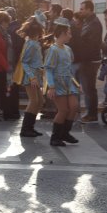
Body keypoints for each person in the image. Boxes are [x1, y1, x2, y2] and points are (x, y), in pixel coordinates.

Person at [45, 17, 81, 146]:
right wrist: (51, 86)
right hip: (57, 83)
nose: (71, 35)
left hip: (68, 82)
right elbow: (48, 69)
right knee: (63, 110)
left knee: (74, 106)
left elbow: (69, 70)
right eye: (69, 33)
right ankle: (55, 137)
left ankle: (65, 133)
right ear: (62, 33)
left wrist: (76, 83)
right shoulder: (53, 50)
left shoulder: (68, 49)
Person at [13, 17, 45, 137]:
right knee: (34, 101)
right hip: (31, 76)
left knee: (40, 101)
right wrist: (32, 77)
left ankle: (30, 127)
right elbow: (24, 62)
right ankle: (25, 129)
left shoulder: (33, 43)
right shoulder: (31, 44)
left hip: (35, 75)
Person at [74, 0, 103, 124]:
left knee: (89, 88)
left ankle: (91, 115)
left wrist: (82, 57)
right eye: (80, 9)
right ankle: (90, 113)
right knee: (87, 88)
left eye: (82, 9)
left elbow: (90, 44)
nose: (80, 11)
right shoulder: (88, 22)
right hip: (87, 59)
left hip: (90, 60)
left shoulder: (94, 24)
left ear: (90, 9)